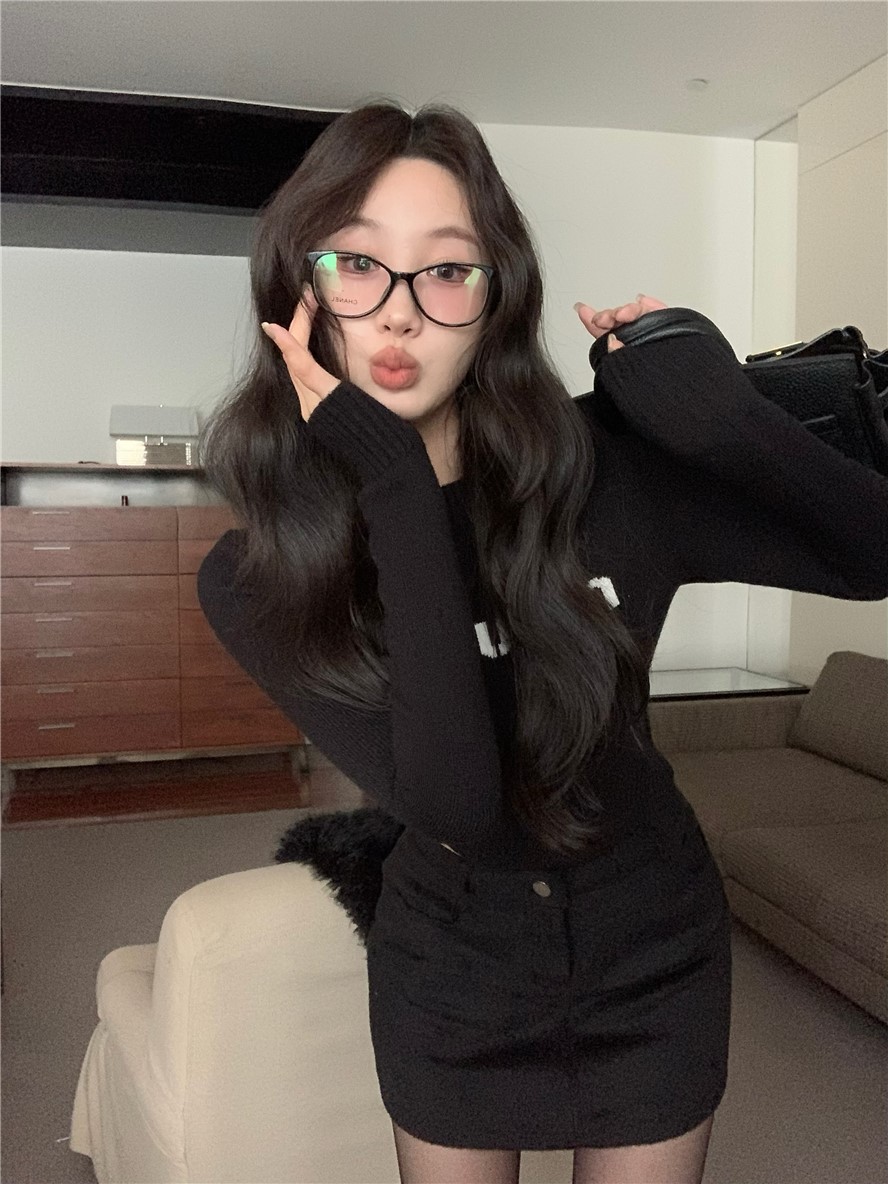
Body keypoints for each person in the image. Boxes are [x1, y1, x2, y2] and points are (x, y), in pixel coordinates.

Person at [196, 99, 888, 1184]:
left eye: (446, 270)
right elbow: (463, 808)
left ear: (495, 298)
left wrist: (726, 420)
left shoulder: (599, 467)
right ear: (300, 290)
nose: (399, 314)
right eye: (357, 265)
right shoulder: (261, 572)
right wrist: (400, 483)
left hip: (655, 944)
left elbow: (872, 557)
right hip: (453, 969)